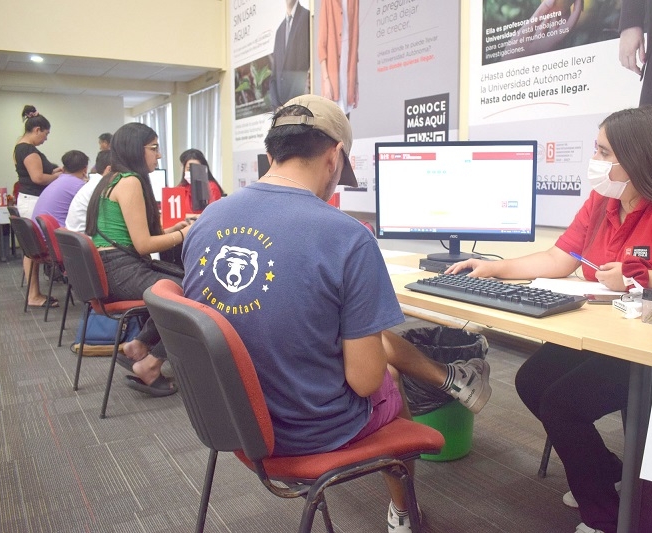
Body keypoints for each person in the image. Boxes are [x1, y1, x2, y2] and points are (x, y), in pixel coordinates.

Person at [182, 94, 491, 533]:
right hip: (306, 434)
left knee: (348, 330)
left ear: (271, 153)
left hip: (231, 421)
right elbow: (364, 381)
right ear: (335, 155)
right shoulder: (347, 236)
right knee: (384, 376)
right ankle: (405, 514)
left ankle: (448, 380)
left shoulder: (209, 219)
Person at [447, 106, 652, 533]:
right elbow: (559, 257)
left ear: (637, 159)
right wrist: (494, 267)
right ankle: (605, 473)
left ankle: (603, 517)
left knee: (563, 403)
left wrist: (640, 276)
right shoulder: (603, 200)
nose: (596, 160)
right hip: (604, 334)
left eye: (604, 152)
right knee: (531, 381)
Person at [85, 123, 193, 397]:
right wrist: (184, 233)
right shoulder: (131, 182)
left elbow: (133, 238)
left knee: (184, 283)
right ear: (137, 149)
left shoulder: (111, 179)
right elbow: (143, 245)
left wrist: (173, 229)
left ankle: (138, 346)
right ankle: (151, 364)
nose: (158, 156)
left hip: (113, 266)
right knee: (194, 292)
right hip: (120, 269)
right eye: (154, 148)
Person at [14, 104, 63, 308]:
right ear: (36, 130)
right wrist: (57, 177)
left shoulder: (22, 147)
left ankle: (34, 294)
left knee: (31, 250)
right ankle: (33, 295)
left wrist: (58, 170)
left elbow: (44, 171)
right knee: (33, 251)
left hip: (28, 200)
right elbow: (38, 177)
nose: (46, 138)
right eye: (45, 134)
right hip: (32, 201)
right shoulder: (28, 149)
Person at [317, 0, 359, 116]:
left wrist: (356, 84)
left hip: (348, 80)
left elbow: (355, 43)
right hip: (332, 79)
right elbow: (321, 45)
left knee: (345, 129)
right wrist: (326, 81)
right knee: (331, 129)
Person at [270, 0, 310, 109]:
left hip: (300, 105)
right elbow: (274, 76)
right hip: (282, 111)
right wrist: (277, 107)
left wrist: (292, 104)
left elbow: (305, 65)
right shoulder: (279, 31)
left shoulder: (307, 18)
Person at [32, 150, 89, 227]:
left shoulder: (57, 181)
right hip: (54, 235)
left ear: (63, 168)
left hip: (39, 233)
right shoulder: (79, 185)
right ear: (85, 169)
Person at [67, 150, 111, 232]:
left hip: (77, 238)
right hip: (86, 239)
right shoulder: (102, 188)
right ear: (109, 170)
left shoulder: (92, 184)